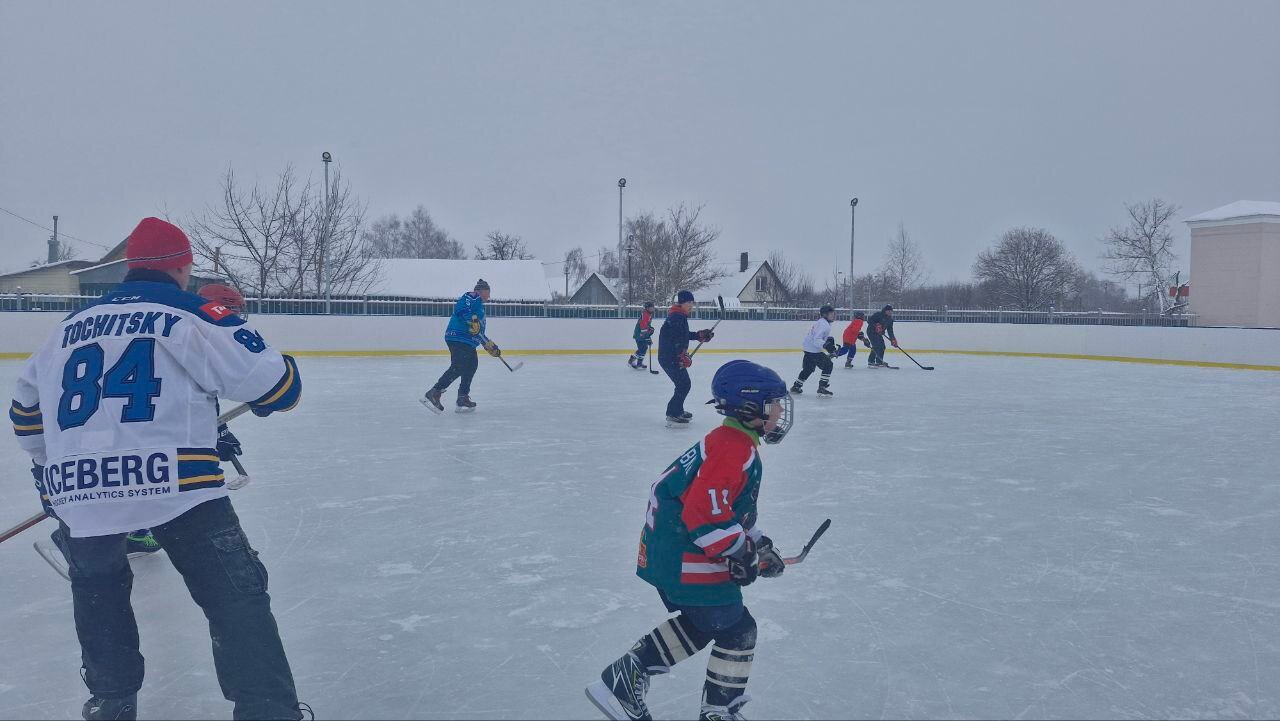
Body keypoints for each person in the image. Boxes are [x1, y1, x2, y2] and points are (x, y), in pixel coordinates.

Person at [10, 217, 307, 720]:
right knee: (237, 599)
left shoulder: (62, 332)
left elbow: (25, 422)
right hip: (177, 484)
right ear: (182, 268)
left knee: (99, 595)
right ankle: (267, 710)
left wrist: (56, 478)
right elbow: (279, 388)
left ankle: (111, 702)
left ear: (129, 269)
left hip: (79, 493)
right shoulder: (192, 312)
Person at [585, 360, 794, 721]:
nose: (780, 411)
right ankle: (717, 711)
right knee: (737, 628)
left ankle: (625, 679)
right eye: (773, 403)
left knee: (707, 622)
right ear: (749, 408)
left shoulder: (729, 441)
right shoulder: (734, 449)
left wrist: (756, 543)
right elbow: (703, 512)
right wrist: (741, 551)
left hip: (673, 551)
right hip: (687, 554)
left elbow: (723, 505)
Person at [41, 284, 250, 575]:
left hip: (110, 429)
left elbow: (191, 401)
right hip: (117, 430)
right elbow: (177, 402)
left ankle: (128, 533)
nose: (236, 317)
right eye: (233, 310)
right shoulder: (190, 331)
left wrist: (218, 432)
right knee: (143, 478)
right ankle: (78, 535)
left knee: (143, 478)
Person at [422, 279, 501, 413]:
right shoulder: (472, 296)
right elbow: (460, 309)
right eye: (488, 293)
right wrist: (471, 321)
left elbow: (478, 332)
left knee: (471, 365)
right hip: (458, 337)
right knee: (459, 366)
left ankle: (463, 397)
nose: (489, 296)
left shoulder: (480, 308)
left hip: (467, 341)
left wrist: (490, 346)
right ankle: (435, 392)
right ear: (481, 291)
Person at [657, 290, 715, 426]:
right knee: (684, 384)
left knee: (683, 384)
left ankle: (676, 410)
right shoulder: (677, 317)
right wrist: (681, 355)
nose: (691, 305)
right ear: (682, 302)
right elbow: (675, 339)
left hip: (670, 357)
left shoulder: (678, 315)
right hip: (669, 357)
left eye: (692, 302)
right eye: (689, 302)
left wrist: (699, 335)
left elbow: (682, 334)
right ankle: (673, 413)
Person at [790, 304, 837, 398]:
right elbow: (817, 339)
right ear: (824, 315)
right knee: (828, 365)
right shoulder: (824, 325)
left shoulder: (820, 322)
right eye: (831, 314)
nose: (833, 315)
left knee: (808, 368)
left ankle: (796, 386)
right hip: (813, 350)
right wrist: (827, 345)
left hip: (808, 348)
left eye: (833, 313)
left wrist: (828, 341)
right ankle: (822, 387)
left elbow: (817, 337)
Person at [628, 301, 656, 370]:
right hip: (639, 334)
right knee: (642, 348)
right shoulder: (645, 314)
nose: (652, 309)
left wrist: (650, 329)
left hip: (643, 334)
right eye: (650, 308)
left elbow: (647, 325)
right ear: (647, 308)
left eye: (653, 307)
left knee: (644, 348)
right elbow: (643, 326)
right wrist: (647, 336)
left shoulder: (649, 314)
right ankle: (631, 360)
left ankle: (639, 363)